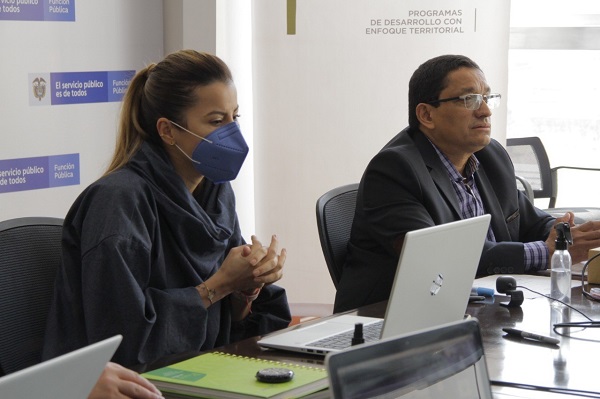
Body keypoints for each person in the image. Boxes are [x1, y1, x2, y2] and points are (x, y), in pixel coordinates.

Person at [42, 49, 291, 367]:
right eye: (216, 121)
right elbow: (123, 343)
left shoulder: (216, 192)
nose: (233, 132)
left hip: (203, 369)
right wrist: (221, 284)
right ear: (168, 130)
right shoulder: (118, 203)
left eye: (235, 117)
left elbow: (230, 323)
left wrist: (248, 286)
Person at [334, 54, 600, 313]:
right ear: (427, 115)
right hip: (388, 321)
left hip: (475, 307)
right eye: (469, 100)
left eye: (486, 98)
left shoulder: (491, 155)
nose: (485, 111)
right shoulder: (395, 170)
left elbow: (528, 222)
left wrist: (573, 234)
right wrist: (546, 250)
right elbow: (443, 261)